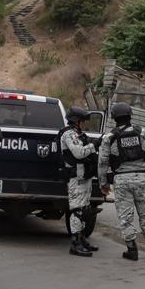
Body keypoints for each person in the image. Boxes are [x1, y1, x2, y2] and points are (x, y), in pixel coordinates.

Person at [98, 102, 145, 261]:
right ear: (130, 115)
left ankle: (132, 249)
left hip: (121, 180)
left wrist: (103, 183)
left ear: (114, 117)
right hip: (142, 178)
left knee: (125, 215)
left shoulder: (109, 137)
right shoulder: (143, 133)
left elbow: (102, 162)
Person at [56, 106, 99, 257]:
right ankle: (75, 244)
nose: (84, 124)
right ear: (76, 121)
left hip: (84, 176)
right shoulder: (69, 134)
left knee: (85, 209)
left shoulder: (79, 134)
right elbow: (79, 153)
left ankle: (81, 238)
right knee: (77, 210)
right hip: (75, 177)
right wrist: (95, 145)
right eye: (83, 121)